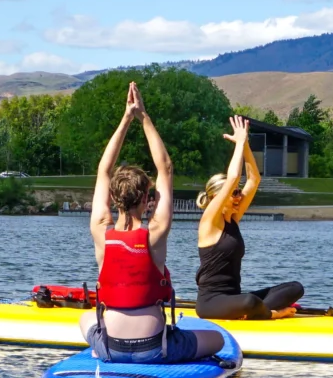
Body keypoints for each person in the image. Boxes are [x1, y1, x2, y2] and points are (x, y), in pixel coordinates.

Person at [80, 83, 227, 363]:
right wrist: (143, 115)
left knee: (85, 319)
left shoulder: (100, 229)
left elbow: (103, 170)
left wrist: (126, 118)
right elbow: (165, 168)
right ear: (147, 199)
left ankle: (102, 350)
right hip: (155, 349)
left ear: (113, 196)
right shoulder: (155, 233)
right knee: (218, 339)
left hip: (111, 349)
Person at [195, 115, 303, 320]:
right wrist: (239, 143)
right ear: (218, 197)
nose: (239, 196)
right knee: (250, 301)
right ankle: (266, 313)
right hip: (211, 302)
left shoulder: (233, 219)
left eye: (238, 192)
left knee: (295, 288)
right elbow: (233, 177)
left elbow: (254, 179)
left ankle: (252, 311)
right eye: (234, 192)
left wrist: (245, 144)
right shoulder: (209, 221)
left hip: (234, 298)